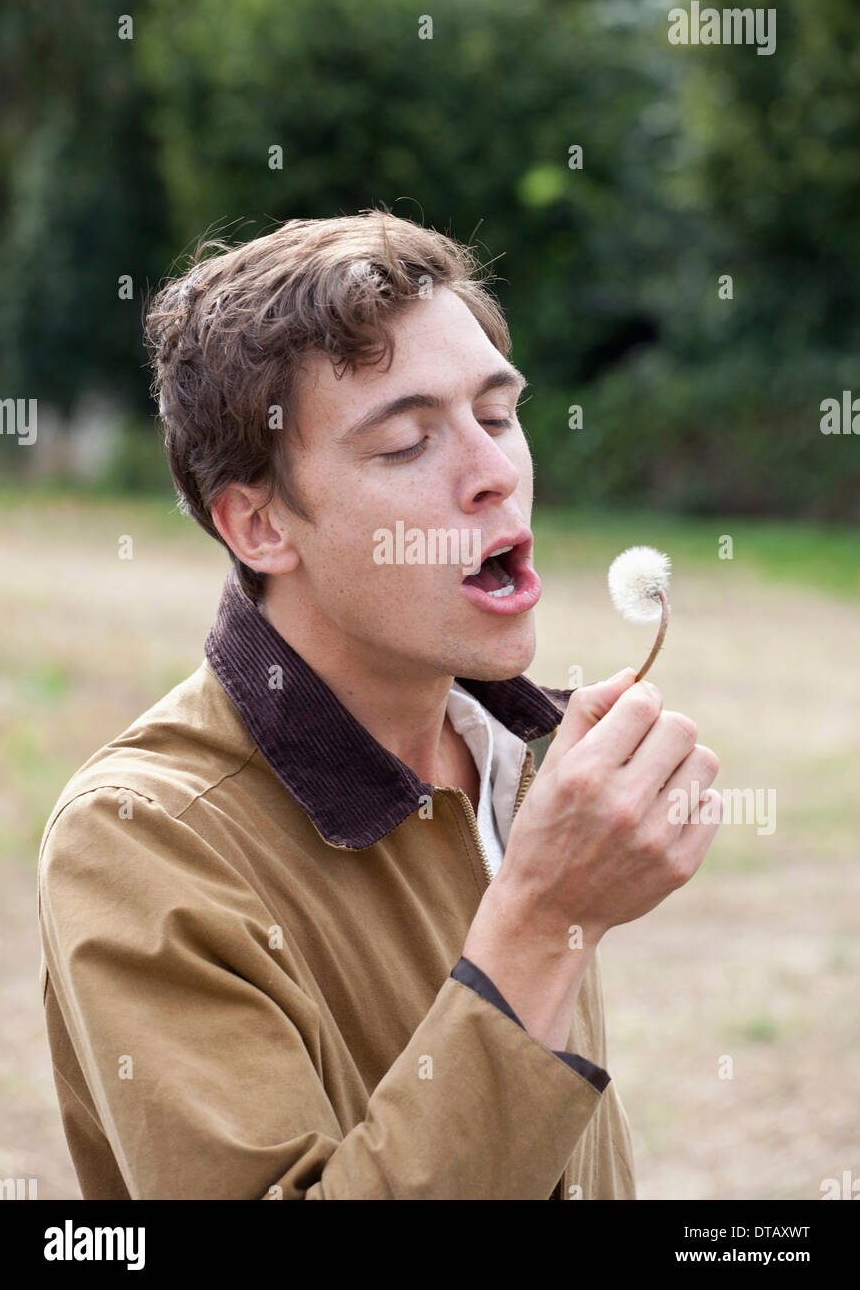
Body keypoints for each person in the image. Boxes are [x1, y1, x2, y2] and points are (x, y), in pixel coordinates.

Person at [37, 209, 721, 1200]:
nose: (493, 474)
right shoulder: (143, 838)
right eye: (405, 444)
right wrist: (538, 921)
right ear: (261, 523)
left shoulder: (518, 754)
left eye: (495, 414)